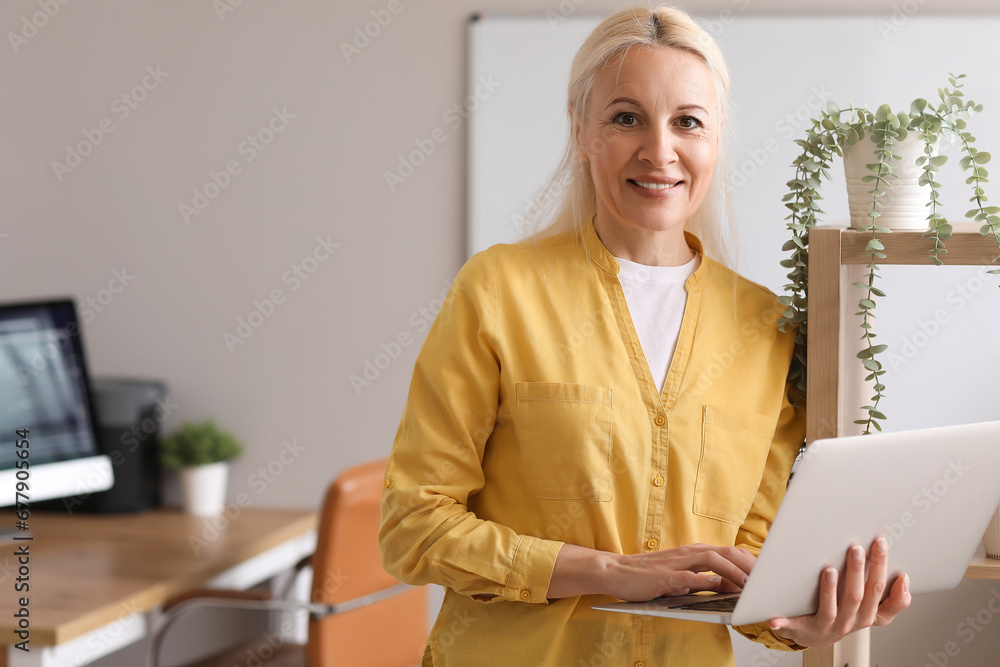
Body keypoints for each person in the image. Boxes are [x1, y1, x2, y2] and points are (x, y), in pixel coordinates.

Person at [378, 6, 910, 666]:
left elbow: (747, 573)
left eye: (688, 121)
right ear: (581, 131)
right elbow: (412, 526)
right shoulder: (497, 291)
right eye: (625, 117)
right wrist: (608, 570)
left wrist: (806, 622)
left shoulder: (769, 331)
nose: (659, 150)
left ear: (716, 140)